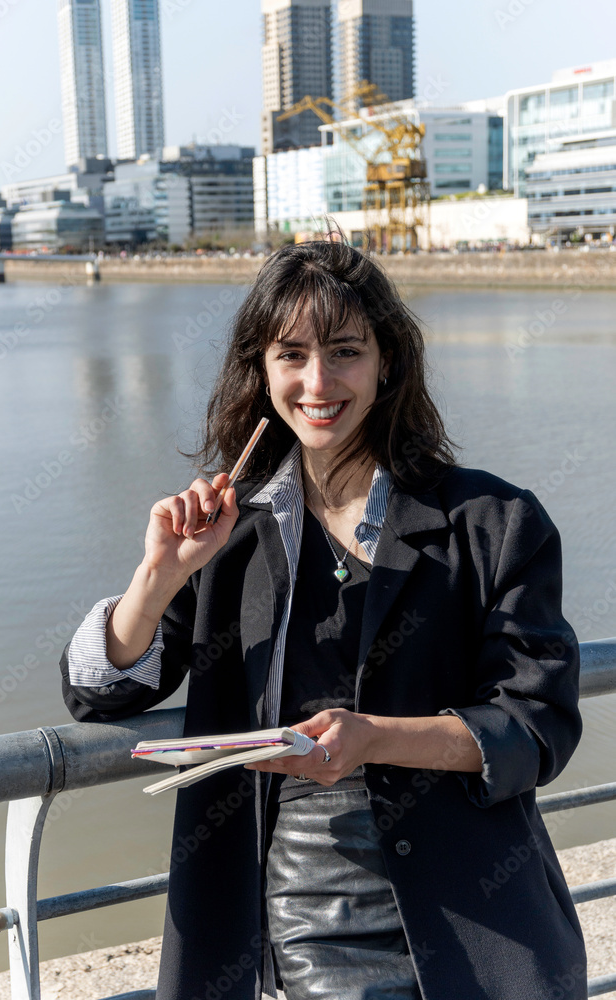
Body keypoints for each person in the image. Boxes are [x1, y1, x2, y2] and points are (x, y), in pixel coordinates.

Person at [60, 237, 587, 1000]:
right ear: (262, 369)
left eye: (344, 351)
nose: (316, 382)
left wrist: (373, 738)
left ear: (387, 363)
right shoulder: (225, 532)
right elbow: (100, 692)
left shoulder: (493, 521)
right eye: (291, 355)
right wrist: (157, 576)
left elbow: (536, 726)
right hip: (290, 898)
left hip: (474, 905)